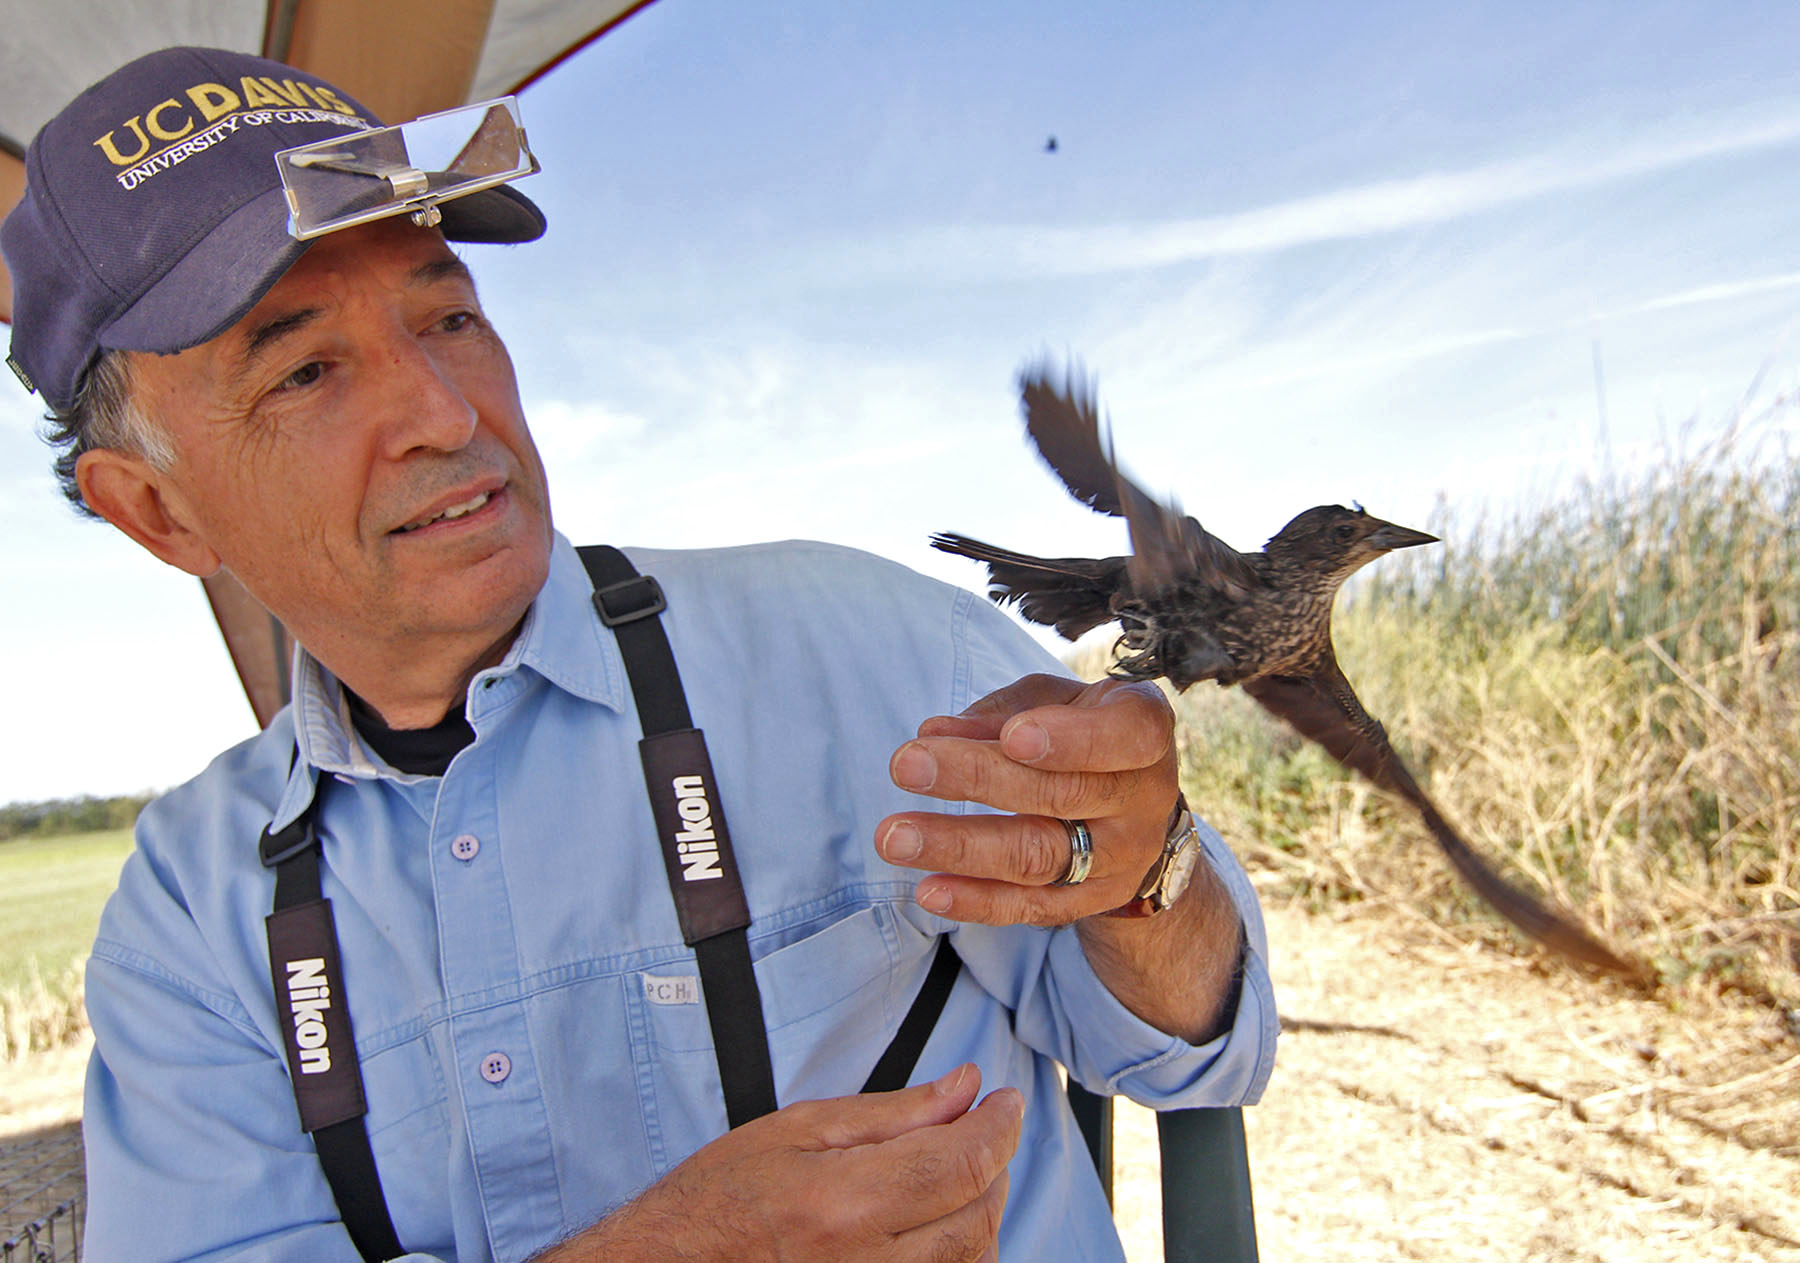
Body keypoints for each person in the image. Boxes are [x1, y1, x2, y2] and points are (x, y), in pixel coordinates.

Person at [2, 46, 1275, 1263]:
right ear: (156, 511)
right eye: (305, 373)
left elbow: (1202, 1055)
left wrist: (1148, 877)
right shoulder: (190, 913)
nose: (446, 413)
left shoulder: (868, 649)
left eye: (449, 317)